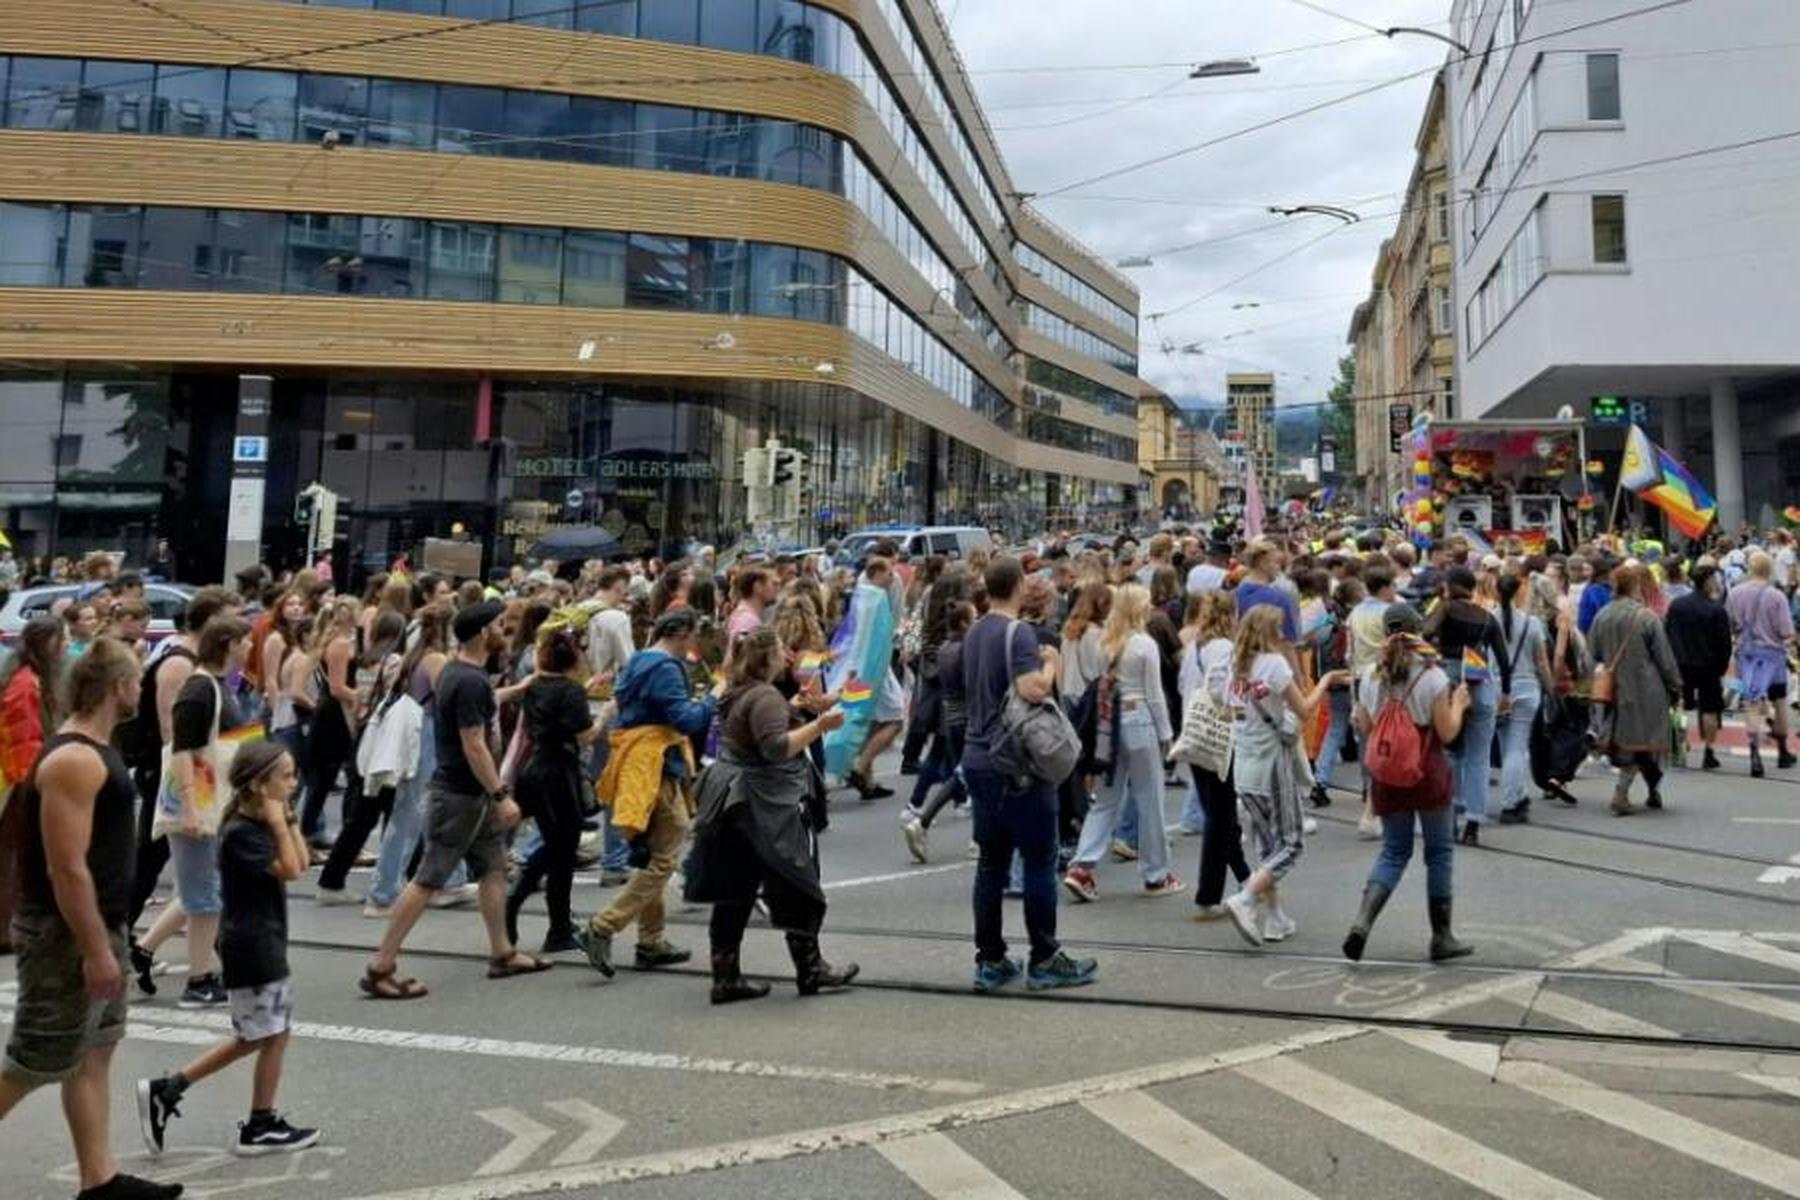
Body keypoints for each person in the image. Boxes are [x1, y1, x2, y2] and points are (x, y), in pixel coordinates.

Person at [0, 639, 183, 1200]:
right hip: (66, 935)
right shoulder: (74, 760)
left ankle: (99, 1182)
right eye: (137, 681)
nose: (142, 689)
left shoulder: (95, 751)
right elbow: (66, 869)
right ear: (118, 688)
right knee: (36, 1060)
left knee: (92, 1054)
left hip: (98, 926)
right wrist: (96, 950)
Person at [135, 741, 317, 1157]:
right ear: (258, 785)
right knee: (265, 1035)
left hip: (264, 939)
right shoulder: (240, 833)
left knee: (265, 1034)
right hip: (252, 945)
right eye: (286, 777)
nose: (294, 782)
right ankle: (257, 1122)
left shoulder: (259, 822)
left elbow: (302, 861)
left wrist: (285, 816)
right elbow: (289, 870)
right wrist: (277, 823)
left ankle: (179, 1092)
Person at [362, 601, 547, 999]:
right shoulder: (469, 680)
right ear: (483, 633)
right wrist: (500, 793)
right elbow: (474, 744)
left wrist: (516, 689)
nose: (505, 630)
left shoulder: (458, 673)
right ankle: (381, 965)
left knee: (493, 867)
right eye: (500, 625)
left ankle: (502, 951)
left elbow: (480, 712)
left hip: (469, 795)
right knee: (429, 877)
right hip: (461, 795)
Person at [687, 628, 857, 1003]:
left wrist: (794, 708)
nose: (787, 655)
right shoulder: (764, 696)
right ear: (767, 658)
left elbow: (756, 729)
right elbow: (775, 748)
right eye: (781, 650)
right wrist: (819, 725)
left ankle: (725, 977)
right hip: (761, 802)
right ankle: (811, 969)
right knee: (798, 881)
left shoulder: (738, 689)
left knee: (736, 889)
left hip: (732, 800)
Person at [955, 557, 1096, 993]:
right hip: (1014, 762)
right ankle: (1044, 957)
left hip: (977, 757)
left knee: (991, 863)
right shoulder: (1018, 633)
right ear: (1018, 586)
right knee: (1038, 858)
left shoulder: (975, 630)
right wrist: (1051, 664)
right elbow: (1031, 689)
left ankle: (991, 959)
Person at [576, 608, 720, 979]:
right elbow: (685, 720)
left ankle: (651, 941)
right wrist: (712, 699)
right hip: (658, 765)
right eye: (693, 636)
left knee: (652, 854)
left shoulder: (639, 659)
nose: (694, 644)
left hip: (637, 763)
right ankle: (603, 926)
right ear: (683, 633)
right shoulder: (668, 669)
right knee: (665, 858)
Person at [1342, 604, 1474, 962]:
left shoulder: (1372, 675)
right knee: (1440, 852)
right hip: (1426, 771)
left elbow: (1367, 729)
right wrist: (1460, 704)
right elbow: (1446, 733)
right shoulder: (1433, 676)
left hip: (1387, 774)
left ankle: (1362, 921)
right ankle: (1441, 936)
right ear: (1419, 631)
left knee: (1394, 851)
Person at [139, 616, 254, 1009]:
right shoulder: (200, 689)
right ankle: (198, 981)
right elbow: (184, 751)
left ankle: (146, 951)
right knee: (205, 897)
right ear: (229, 644)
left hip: (213, 801)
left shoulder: (215, 685)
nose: (251, 647)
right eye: (245, 640)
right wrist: (190, 804)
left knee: (200, 891)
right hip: (202, 803)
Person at [1222, 606, 1349, 947]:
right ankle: (1246, 898)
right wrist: (1325, 681)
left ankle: (1275, 919)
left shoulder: (1233, 665)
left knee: (1268, 846)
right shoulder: (1273, 665)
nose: (1284, 637)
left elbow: (1226, 709)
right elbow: (1305, 711)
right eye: (1280, 631)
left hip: (1243, 767)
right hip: (1271, 765)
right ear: (1270, 633)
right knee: (1291, 844)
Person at [1061, 584, 1183, 902]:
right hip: (1140, 719)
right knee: (1150, 798)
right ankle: (1156, 874)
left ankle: (1082, 866)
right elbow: (1155, 695)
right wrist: (1166, 735)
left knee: (1105, 798)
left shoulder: (1106, 641)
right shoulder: (1144, 644)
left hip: (1109, 725)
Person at [505, 628, 603, 954]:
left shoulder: (535, 686)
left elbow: (553, 712)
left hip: (535, 769)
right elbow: (584, 736)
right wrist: (607, 714)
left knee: (555, 845)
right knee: (563, 850)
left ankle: (534, 908)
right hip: (559, 773)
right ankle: (551, 922)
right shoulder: (571, 691)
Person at [1423, 566, 1510, 846]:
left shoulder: (1446, 608)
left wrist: (1435, 653)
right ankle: (1473, 821)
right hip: (1479, 677)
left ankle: (1449, 819)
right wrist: (1505, 692)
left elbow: (1426, 632)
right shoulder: (1486, 617)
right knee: (1479, 756)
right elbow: (1503, 658)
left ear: (1450, 586)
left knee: (1448, 751)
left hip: (1448, 680)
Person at [1589, 565, 1683, 814]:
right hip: (1647, 690)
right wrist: (1676, 684)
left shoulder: (1603, 615)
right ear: (1635, 586)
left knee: (1628, 742)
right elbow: (1664, 657)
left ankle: (1647, 790)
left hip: (1615, 689)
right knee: (1646, 742)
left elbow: (1594, 652)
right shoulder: (1647, 617)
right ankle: (1626, 791)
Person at [1178, 592, 1248, 920]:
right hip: (1219, 735)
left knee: (1218, 812)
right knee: (1220, 816)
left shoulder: (1193, 647)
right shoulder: (1225, 648)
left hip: (1195, 734)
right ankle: (1208, 896)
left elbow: (1183, 687)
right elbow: (1226, 693)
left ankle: (1247, 877)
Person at [0, 616, 64, 954]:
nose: (63, 647)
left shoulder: (28, 679)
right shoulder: (28, 684)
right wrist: (32, 783)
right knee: (12, 857)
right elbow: (24, 740)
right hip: (19, 781)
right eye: (59, 640)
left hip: (20, 777)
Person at [1725, 550, 1797, 777]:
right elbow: (1787, 632)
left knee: (1752, 705)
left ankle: (1754, 753)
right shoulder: (1777, 596)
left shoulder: (1735, 593)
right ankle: (1783, 751)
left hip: (1746, 655)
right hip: (1773, 657)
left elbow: (1730, 623)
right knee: (1780, 702)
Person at [1494, 573, 1551, 825]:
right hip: (1526, 688)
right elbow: (1541, 661)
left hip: (1496, 691)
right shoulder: (1532, 624)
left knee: (1508, 746)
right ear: (1519, 592)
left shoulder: (1488, 620)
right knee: (1517, 747)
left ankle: (1518, 794)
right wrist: (1550, 688)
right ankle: (1511, 802)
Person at [1665, 563, 1732, 771]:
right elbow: (1724, 643)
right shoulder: (1716, 610)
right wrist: (1722, 666)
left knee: (1680, 706)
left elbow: (1668, 634)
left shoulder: (1677, 605)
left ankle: (1679, 746)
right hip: (1708, 665)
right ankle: (1709, 751)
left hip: (1681, 663)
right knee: (1710, 709)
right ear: (1708, 581)